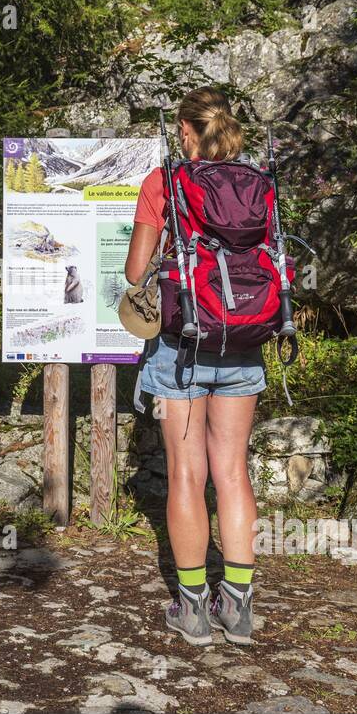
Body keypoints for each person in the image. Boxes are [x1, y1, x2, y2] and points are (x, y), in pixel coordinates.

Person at [125, 85, 263, 646]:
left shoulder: (164, 182)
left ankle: (192, 609)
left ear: (185, 131)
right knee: (232, 472)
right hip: (242, 343)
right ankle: (238, 607)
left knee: (187, 472)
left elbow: (137, 272)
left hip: (179, 348)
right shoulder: (255, 183)